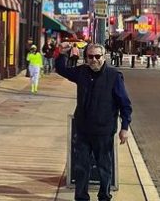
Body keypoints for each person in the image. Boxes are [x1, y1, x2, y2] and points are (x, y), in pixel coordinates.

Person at [55, 43, 132, 201]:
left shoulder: (114, 76)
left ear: (104, 57)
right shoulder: (81, 72)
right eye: (90, 56)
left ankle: (104, 196)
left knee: (104, 168)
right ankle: (81, 198)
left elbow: (125, 104)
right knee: (81, 168)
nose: (94, 60)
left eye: (98, 56)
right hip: (83, 130)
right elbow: (61, 70)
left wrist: (125, 127)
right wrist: (61, 53)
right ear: (86, 58)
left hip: (104, 132)